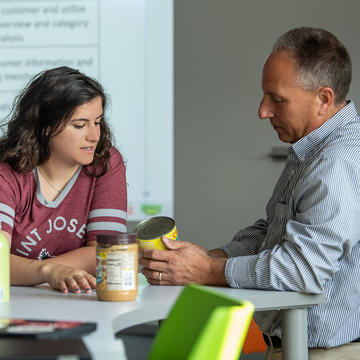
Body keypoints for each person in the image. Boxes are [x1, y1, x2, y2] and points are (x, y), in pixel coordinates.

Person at [140, 27, 360, 359]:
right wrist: (210, 257)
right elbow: (274, 231)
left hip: (328, 352)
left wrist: (205, 271)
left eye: (278, 100)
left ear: (324, 99)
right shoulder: (312, 149)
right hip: (295, 345)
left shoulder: (335, 163)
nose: (263, 111)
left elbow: (303, 271)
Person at [0, 66, 127, 294]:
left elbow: (107, 253)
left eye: (97, 122)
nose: (94, 136)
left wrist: (31, 270)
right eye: (79, 125)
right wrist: (48, 272)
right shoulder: (6, 171)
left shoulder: (106, 163)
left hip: (78, 302)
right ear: (46, 126)